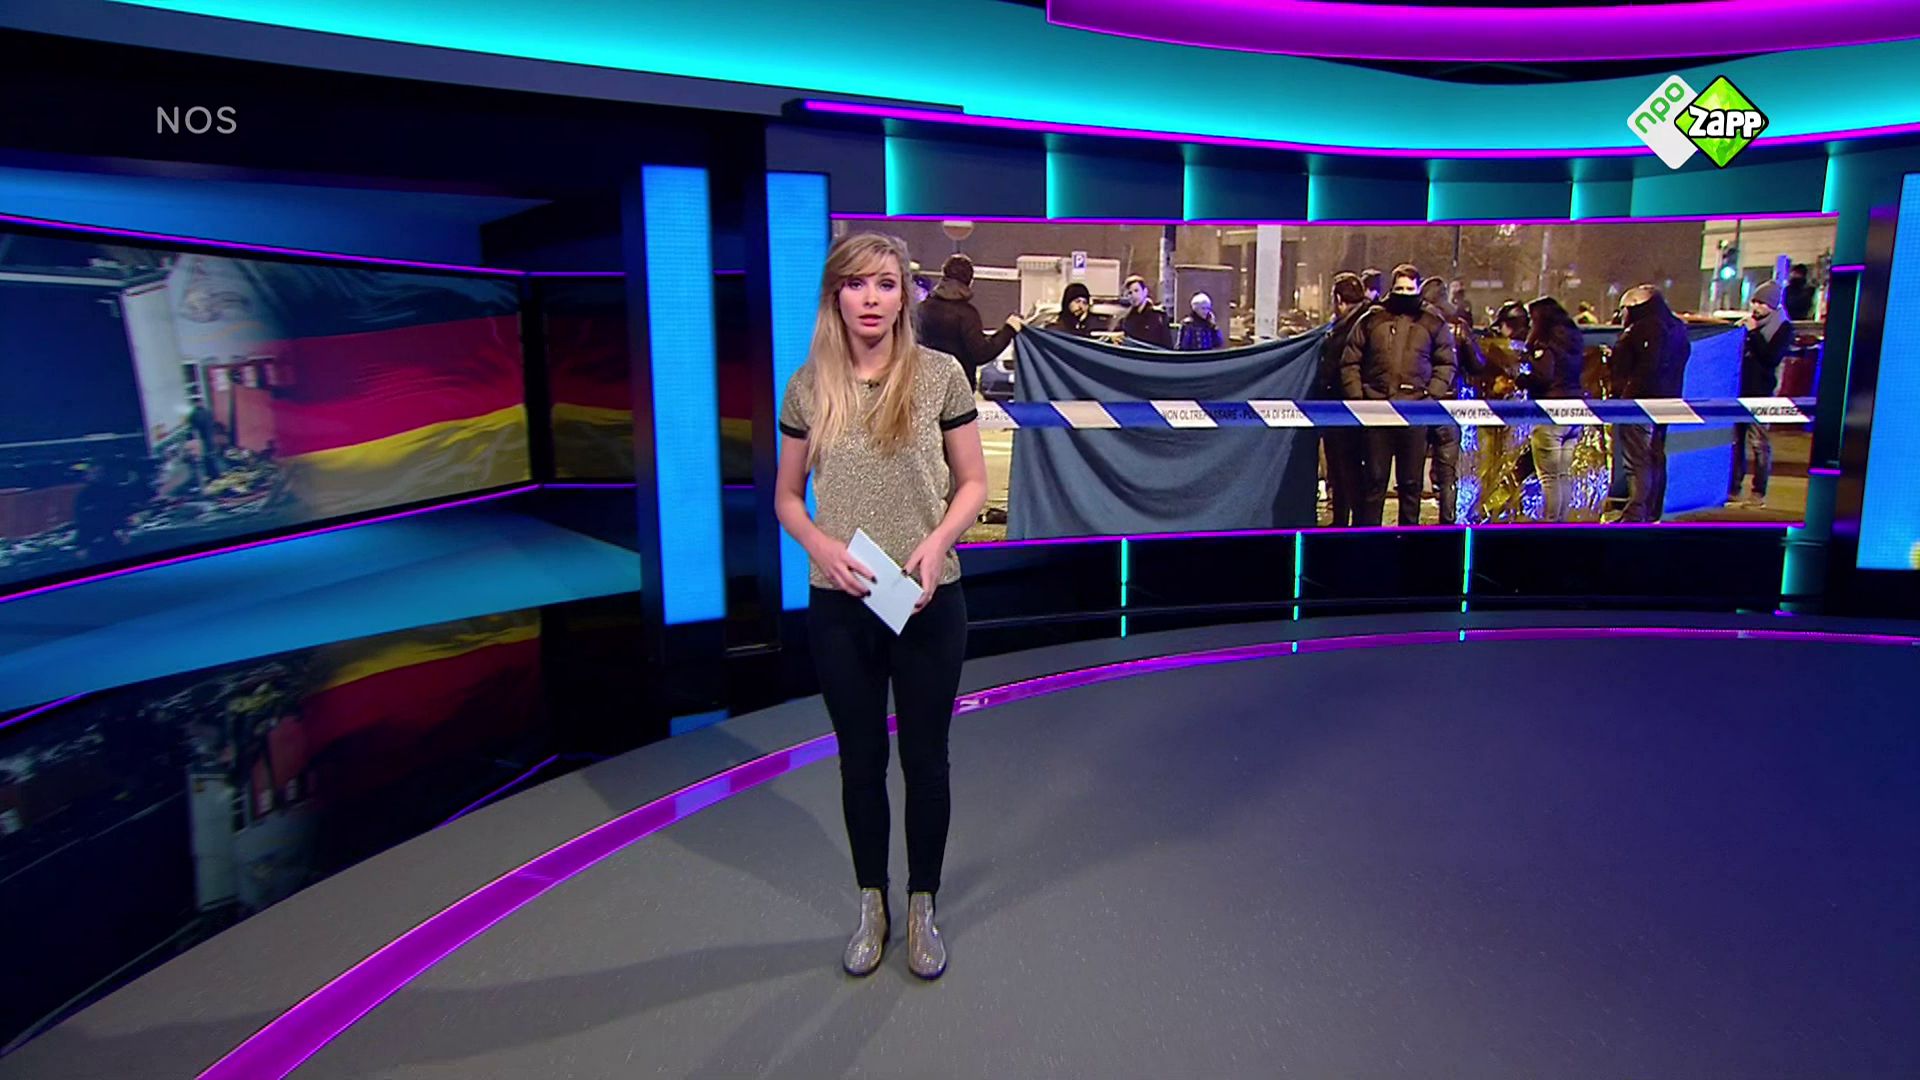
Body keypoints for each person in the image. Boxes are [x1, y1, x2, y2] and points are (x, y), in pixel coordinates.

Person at [775, 232, 988, 981]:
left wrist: (936, 543)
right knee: (859, 762)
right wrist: (820, 545)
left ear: (905, 297)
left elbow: (973, 483)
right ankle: (874, 903)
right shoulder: (808, 387)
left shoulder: (940, 377)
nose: (872, 298)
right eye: (857, 284)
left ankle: (923, 902)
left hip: (928, 599)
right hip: (842, 604)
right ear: (835, 296)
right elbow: (786, 497)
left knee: (925, 760)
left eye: (886, 284)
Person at [1341, 263, 1457, 526]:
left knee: (1411, 484)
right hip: (1376, 412)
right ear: (1392, 288)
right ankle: (1369, 538)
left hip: (1415, 413)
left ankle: (1407, 538)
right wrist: (1359, 400)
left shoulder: (1432, 321)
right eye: (1400, 288)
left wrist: (1430, 397)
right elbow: (1351, 361)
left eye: (1409, 289)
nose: (1404, 293)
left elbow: (1446, 363)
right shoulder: (1372, 319)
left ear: (1417, 289)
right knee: (1374, 481)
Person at [1611, 283, 1691, 522]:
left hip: (1639, 404)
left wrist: (1626, 395)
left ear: (1634, 307)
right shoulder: (1676, 327)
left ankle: (1637, 512)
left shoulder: (1643, 329)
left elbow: (1645, 367)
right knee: (1655, 455)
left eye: (1623, 309)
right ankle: (1652, 510)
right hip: (1668, 401)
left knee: (1638, 459)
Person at [1519, 296, 1586, 522]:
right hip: (1574, 412)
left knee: (1548, 477)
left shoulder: (1544, 344)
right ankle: (1561, 522)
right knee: (1563, 474)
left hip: (1550, 412)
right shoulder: (1573, 341)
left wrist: (1522, 380)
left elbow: (1543, 376)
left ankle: (1550, 523)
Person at [916, 253, 1023, 390]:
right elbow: (981, 352)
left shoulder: (921, 308)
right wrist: (1009, 329)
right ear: (969, 282)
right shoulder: (967, 315)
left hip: (923, 384)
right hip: (958, 388)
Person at [1730, 280, 1794, 506]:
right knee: (1736, 441)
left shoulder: (1783, 328)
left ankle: (1759, 492)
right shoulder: (1748, 325)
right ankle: (1733, 488)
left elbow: (1770, 357)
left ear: (1773, 305)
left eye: (1762, 303)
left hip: (1762, 392)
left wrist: (1754, 333)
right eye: (1754, 302)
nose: (1756, 307)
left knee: (1759, 443)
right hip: (1740, 390)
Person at [1318, 273, 1372, 527]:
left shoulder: (1350, 329)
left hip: (1345, 409)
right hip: (1350, 408)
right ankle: (1343, 522)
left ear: (1338, 300)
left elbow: (1337, 368)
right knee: (1344, 473)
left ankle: (1349, 525)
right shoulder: (1367, 322)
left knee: (1347, 472)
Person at [1420, 278, 1463, 524]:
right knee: (1447, 474)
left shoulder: (1419, 325)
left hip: (1421, 405)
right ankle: (1448, 523)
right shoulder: (1457, 326)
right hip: (1449, 406)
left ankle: (1410, 527)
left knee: (1412, 471)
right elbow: (1477, 363)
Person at [1120, 274, 1173, 348]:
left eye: (1136, 291)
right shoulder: (1127, 319)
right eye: (1130, 293)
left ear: (1145, 292)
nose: (1134, 295)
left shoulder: (1158, 316)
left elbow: (1167, 344)